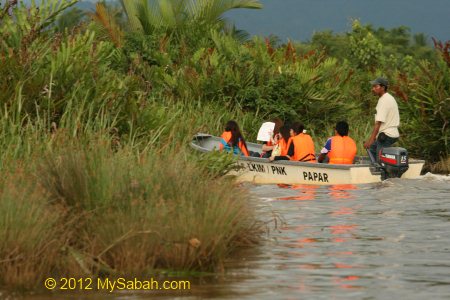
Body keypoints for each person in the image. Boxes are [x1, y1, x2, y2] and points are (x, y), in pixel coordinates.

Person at [363, 77, 400, 161]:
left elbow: (378, 123)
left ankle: (382, 173)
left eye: (376, 86)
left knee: (380, 160)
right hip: (390, 133)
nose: (373, 89)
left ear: (383, 88)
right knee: (372, 149)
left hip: (387, 135)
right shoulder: (388, 98)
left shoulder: (384, 100)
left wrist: (370, 140)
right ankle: (374, 171)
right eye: (373, 87)